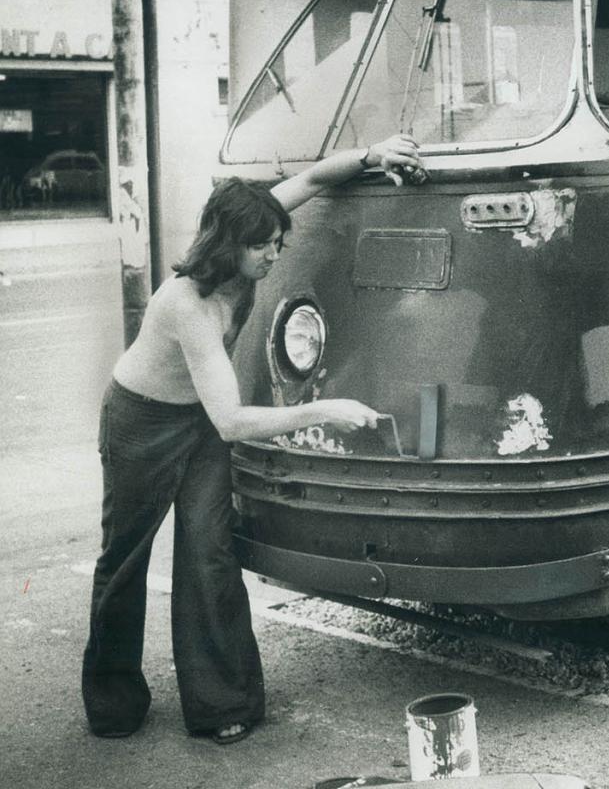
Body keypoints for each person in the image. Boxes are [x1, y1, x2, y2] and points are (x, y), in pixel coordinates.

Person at [81, 134, 423, 746]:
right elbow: (234, 423)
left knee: (209, 551)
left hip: (201, 421)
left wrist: (373, 156)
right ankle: (112, 702)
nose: (273, 253)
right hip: (143, 423)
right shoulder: (187, 303)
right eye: (264, 247)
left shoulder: (251, 230)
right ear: (229, 245)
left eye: (277, 242)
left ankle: (221, 704)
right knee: (125, 558)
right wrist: (326, 410)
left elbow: (316, 178)